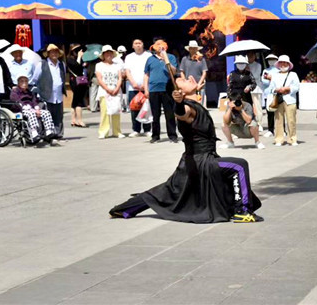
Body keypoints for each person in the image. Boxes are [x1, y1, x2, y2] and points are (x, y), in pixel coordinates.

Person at [109, 78, 263, 223]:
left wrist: (192, 92)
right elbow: (182, 114)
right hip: (200, 161)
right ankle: (243, 211)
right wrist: (178, 103)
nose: (187, 78)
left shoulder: (194, 103)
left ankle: (124, 209)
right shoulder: (187, 107)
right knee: (239, 166)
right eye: (182, 80)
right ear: (179, 92)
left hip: (193, 161)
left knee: (166, 192)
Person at [221, 55, 264, 149]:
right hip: (234, 96)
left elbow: (254, 84)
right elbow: (229, 86)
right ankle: (231, 139)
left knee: (249, 116)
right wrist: (229, 97)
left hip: (246, 98)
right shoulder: (232, 74)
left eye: (242, 63)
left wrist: (249, 87)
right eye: (239, 63)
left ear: (246, 64)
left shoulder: (249, 74)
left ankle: (256, 140)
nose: (241, 65)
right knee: (232, 115)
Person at [144, 40, 179, 144]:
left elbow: (174, 71)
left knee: (170, 114)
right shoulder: (150, 59)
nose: (160, 46)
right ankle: (155, 136)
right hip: (154, 89)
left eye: (162, 44)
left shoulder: (171, 57)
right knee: (155, 115)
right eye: (157, 44)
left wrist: (165, 59)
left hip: (167, 89)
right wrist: (146, 89)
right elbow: (146, 75)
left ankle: (172, 136)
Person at [9, 75, 57, 145]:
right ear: (18, 83)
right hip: (20, 109)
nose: (24, 83)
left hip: (32, 109)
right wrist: (25, 106)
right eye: (22, 81)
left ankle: (49, 132)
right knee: (31, 114)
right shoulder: (15, 91)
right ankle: (34, 133)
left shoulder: (29, 92)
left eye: (26, 81)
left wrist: (37, 108)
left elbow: (34, 101)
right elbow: (15, 100)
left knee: (46, 113)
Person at [267, 55, 300, 146]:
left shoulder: (293, 75)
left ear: (288, 64)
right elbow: (271, 88)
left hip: (290, 99)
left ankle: (292, 139)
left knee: (291, 120)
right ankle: (279, 139)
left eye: (285, 63)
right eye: (281, 63)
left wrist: (288, 88)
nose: (283, 65)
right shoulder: (275, 75)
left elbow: (297, 87)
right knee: (278, 120)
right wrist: (277, 90)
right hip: (278, 99)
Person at [37, 44, 67, 139]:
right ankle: (47, 135)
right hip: (46, 94)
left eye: (56, 52)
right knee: (47, 116)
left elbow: (63, 76)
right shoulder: (42, 64)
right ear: (48, 54)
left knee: (59, 116)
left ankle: (58, 134)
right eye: (52, 52)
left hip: (58, 94)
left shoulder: (62, 64)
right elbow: (35, 79)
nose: (54, 54)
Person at [124, 39, 152, 137]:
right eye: (136, 43)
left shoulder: (148, 56)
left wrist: (145, 84)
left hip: (146, 87)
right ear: (133, 46)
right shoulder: (129, 57)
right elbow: (127, 71)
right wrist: (133, 83)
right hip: (133, 87)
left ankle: (147, 129)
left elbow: (150, 70)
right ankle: (136, 129)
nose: (138, 45)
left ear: (143, 45)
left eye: (140, 43)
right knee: (134, 108)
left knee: (146, 108)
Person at [96, 45, 125, 139]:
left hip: (116, 91)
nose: (108, 55)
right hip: (104, 91)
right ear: (103, 55)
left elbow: (120, 78)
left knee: (116, 111)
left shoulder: (117, 65)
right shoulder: (99, 65)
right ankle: (103, 132)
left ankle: (117, 131)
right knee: (105, 112)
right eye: (106, 53)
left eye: (110, 53)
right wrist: (107, 89)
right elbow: (99, 79)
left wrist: (117, 88)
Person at [66, 44, 88, 128]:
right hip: (74, 81)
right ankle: (79, 120)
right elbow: (77, 67)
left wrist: (82, 60)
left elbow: (81, 68)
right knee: (78, 100)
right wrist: (79, 57)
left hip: (80, 81)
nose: (79, 52)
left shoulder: (78, 58)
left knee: (75, 100)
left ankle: (73, 120)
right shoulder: (69, 59)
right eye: (76, 50)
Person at [246, 52, 266, 135]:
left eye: (251, 56)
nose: (250, 57)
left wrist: (249, 71)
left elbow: (256, 76)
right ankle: (249, 123)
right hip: (247, 89)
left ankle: (259, 123)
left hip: (257, 88)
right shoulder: (245, 65)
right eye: (248, 56)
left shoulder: (258, 65)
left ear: (254, 56)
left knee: (258, 107)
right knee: (248, 107)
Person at [261, 53, 279, 136]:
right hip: (268, 94)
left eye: (273, 59)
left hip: (277, 93)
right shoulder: (265, 71)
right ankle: (270, 130)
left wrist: (271, 78)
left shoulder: (279, 70)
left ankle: (282, 129)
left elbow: (279, 81)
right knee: (269, 113)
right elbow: (264, 81)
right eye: (269, 60)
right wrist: (269, 79)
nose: (271, 61)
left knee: (279, 113)